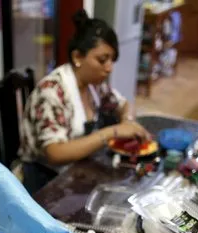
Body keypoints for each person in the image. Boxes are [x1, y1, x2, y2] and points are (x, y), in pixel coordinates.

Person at [18, 9, 151, 193]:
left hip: (75, 172)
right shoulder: (52, 91)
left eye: (112, 60)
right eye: (102, 60)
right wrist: (112, 132)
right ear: (77, 57)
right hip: (44, 181)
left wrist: (127, 120)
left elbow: (123, 104)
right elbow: (55, 152)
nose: (109, 68)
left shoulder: (94, 85)